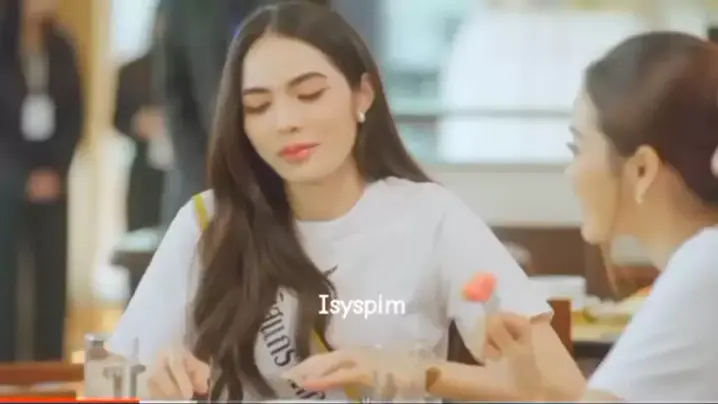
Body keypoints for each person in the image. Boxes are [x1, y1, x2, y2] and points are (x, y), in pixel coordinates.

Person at [106, 1, 582, 401]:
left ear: (363, 94)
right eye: (258, 106)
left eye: (309, 94)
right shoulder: (209, 222)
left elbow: (564, 390)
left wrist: (418, 372)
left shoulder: (430, 217)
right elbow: (110, 377)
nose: (285, 121)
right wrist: (153, 377)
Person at [321, 31, 718, 402]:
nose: (571, 172)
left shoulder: (703, 271)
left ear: (642, 170)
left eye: (577, 148)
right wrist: (527, 388)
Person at [0, 0, 83, 361]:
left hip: (53, 180)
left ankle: (50, 367)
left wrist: (57, 171)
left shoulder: (62, 46)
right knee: (7, 283)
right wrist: (21, 179)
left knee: (51, 279)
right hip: (7, 182)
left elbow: (75, 114)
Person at [156, 0, 260, 225]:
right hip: (203, 176)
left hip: (282, 181)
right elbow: (176, 97)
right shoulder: (181, 7)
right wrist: (208, 172)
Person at [114, 7, 169, 295]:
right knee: (139, 256)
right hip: (144, 174)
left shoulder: (198, 67)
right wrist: (138, 123)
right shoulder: (132, 71)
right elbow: (117, 119)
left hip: (184, 173)